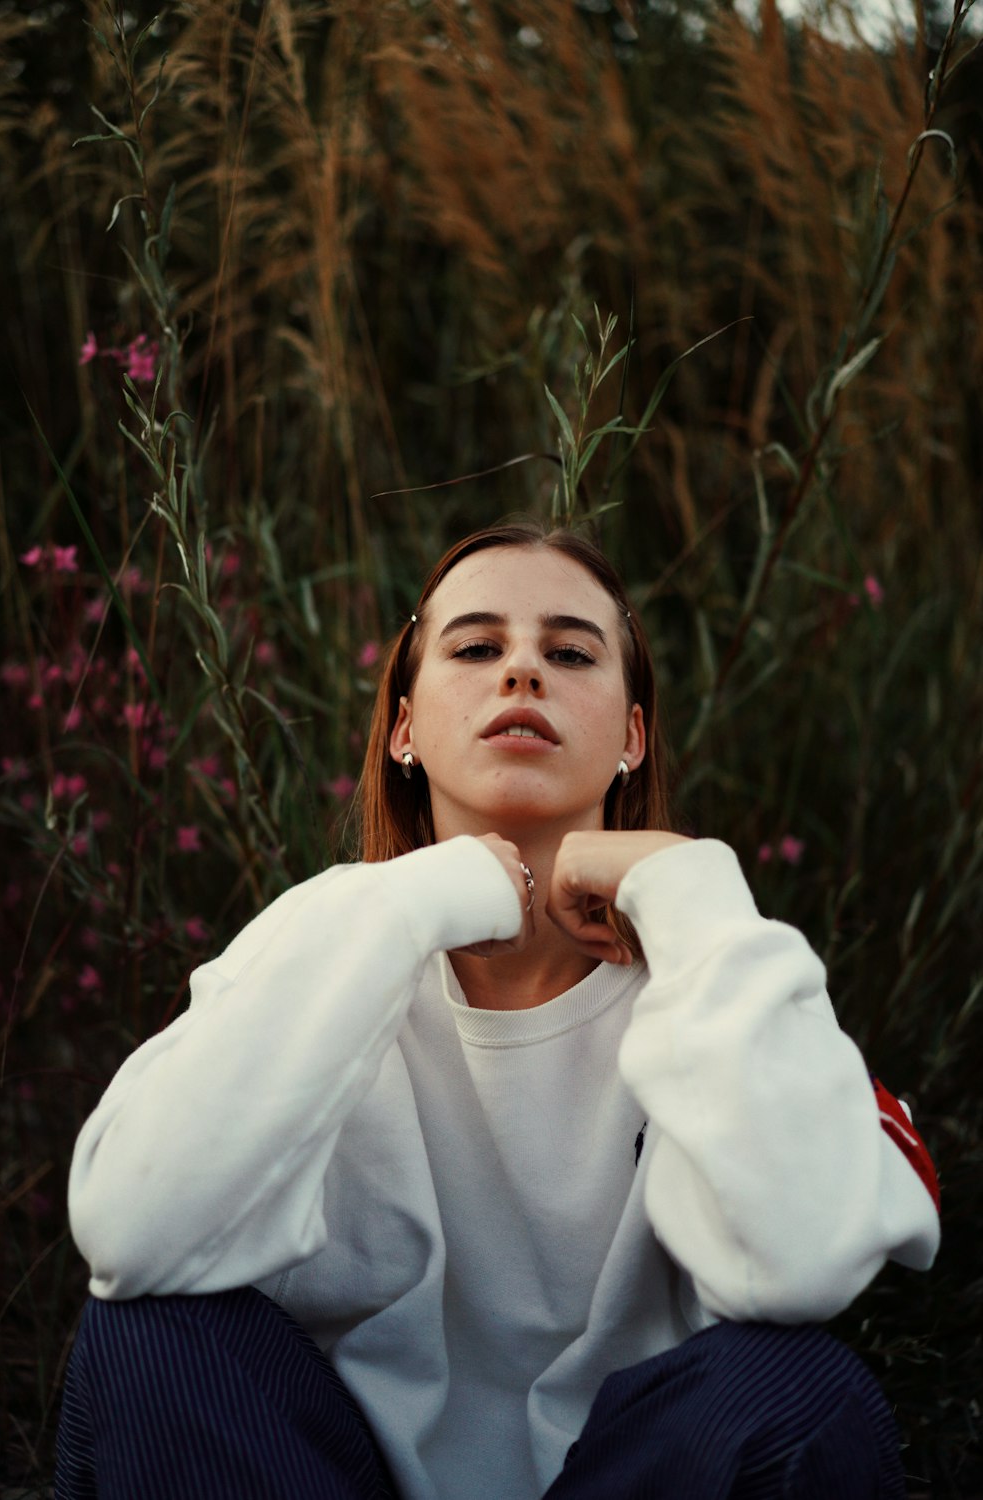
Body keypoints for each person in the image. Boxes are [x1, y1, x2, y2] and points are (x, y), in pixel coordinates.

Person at [56, 521, 941, 1500]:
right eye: (476, 647)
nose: (521, 669)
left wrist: (688, 885)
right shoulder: (317, 950)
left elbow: (798, 1267)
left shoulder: (722, 977)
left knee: (798, 1389)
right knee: (150, 1336)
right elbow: (132, 1234)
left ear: (631, 735)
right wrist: (412, 897)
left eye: (569, 652)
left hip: (634, 1477)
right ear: (403, 727)